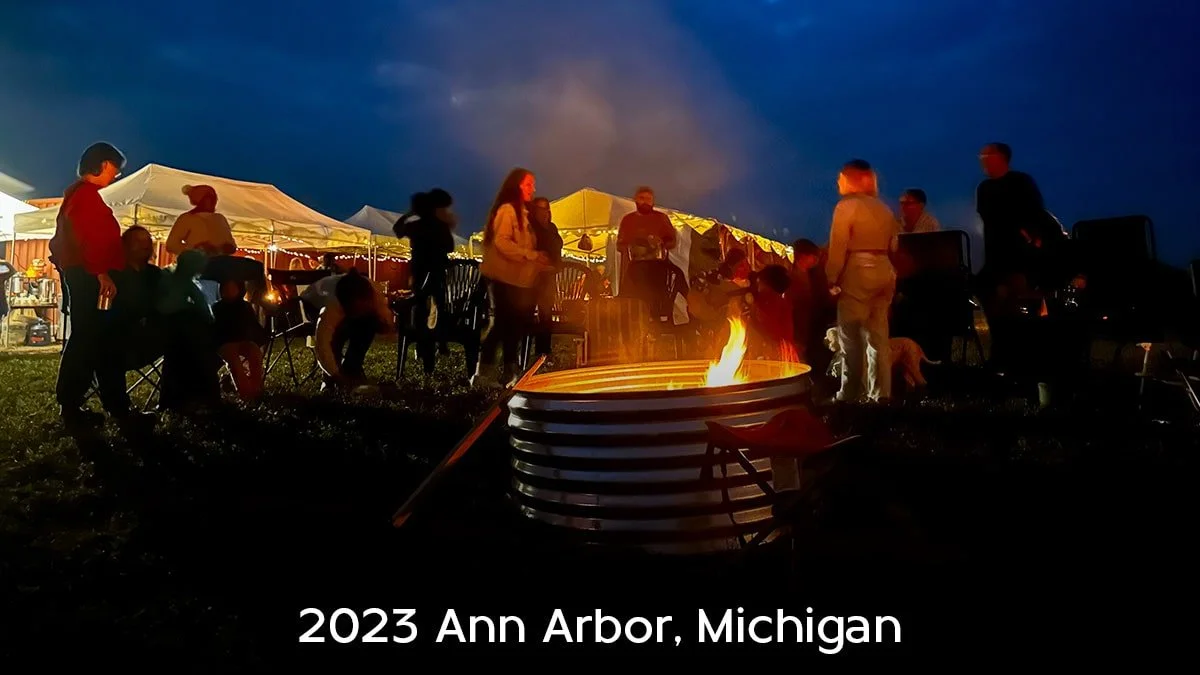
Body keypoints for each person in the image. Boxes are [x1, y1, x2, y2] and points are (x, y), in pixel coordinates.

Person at [48, 141, 151, 429]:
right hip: (90, 277)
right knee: (89, 340)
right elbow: (88, 239)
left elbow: (62, 242)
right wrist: (101, 273)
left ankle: (103, 405)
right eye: (115, 168)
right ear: (104, 164)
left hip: (85, 274)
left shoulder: (77, 195)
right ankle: (76, 405)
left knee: (95, 341)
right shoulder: (86, 196)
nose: (116, 174)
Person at [825, 159, 899, 403]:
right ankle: (882, 394)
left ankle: (849, 394)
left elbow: (838, 245)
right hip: (884, 269)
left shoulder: (847, 206)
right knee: (879, 337)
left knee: (850, 336)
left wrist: (831, 277)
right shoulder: (884, 209)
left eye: (840, 177)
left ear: (850, 178)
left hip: (859, 271)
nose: (837, 181)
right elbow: (894, 245)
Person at [476, 168, 552, 388]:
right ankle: (483, 374)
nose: (533, 189)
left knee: (514, 326)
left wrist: (537, 261)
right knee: (502, 324)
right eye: (528, 184)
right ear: (516, 185)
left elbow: (523, 246)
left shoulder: (524, 213)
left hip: (517, 279)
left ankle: (509, 372)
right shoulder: (508, 210)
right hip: (502, 277)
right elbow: (502, 241)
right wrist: (530, 255)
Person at [394, 189, 456, 373]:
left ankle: (422, 344)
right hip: (437, 270)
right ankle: (441, 341)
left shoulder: (415, 226)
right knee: (441, 305)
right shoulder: (440, 226)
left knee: (420, 308)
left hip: (420, 271)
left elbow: (398, 230)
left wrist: (408, 215)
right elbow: (450, 247)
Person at [306, 269, 394, 391]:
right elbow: (323, 345)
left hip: (350, 308)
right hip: (312, 305)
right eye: (357, 308)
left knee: (368, 324)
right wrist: (335, 375)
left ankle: (351, 370)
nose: (360, 311)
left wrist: (383, 324)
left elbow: (386, 322)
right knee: (336, 335)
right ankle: (329, 380)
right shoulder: (332, 305)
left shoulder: (375, 295)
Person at [156, 248, 221, 410]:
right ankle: (204, 395)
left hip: (161, 328)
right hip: (180, 333)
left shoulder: (165, 276)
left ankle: (174, 398)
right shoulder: (188, 285)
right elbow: (205, 311)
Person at [110, 225, 165, 369]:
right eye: (138, 241)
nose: (145, 245)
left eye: (147, 241)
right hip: (119, 338)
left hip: (153, 336)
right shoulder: (114, 274)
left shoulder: (155, 274)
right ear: (126, 245)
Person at [616, 186, 678, 297]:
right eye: (642, 198)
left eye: (648, 199)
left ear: (653, 201)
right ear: (636, 199)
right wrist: (633, 247)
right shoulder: (628, 220)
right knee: (632, 300)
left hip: (656, 270)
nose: (645, 202)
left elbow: (671, 241)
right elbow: (620, 245)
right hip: (632, 271)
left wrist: (659, 244)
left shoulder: (661, 218)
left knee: (655, 298)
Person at [213, 279, 267, 400]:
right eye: (226, 288)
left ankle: (257, 388)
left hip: (243, 341)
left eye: (232, 288)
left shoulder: (245, 306)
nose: (229, 291)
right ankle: (245, 392)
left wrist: (255, 340)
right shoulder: (217, 308)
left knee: (254, 353)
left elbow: (254, 327)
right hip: (225, 343)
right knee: (234, 361)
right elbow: (215, 332)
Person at [789, 239, 834, 374]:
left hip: (812, 326)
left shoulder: (812, 275)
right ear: (802, 257)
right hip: (802, 328)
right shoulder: (793, 279)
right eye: (813, 256)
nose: (816, 259)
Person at [529, 196, 564, 359]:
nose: (543, 212)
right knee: (529, 313)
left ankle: (543, 351)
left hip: (548, 276)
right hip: (532, 276)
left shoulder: (551, 228)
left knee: (546, 313)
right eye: (539, 209)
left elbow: (557, 248)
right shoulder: (530, 229)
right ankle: (526, 350)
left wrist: (554, 266)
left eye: (546, 209)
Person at [747, 264, 795, 360]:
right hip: (782, 350)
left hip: (771, 353)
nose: (757, 287)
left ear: (766, 284)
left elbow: (769, 328)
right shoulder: (780, 301)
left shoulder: (769, 302)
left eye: (759, 282)